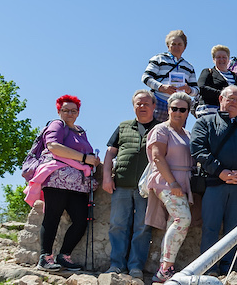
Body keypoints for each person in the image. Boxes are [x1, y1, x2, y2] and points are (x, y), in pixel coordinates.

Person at [191, 85, 237, 276]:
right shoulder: (205, 122)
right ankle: (208, 269)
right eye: (230, 98)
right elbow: (198, 149)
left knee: (234, 230)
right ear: (221, 99)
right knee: (210, 228)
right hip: (214, 183)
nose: (234, 103)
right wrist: (219, 171)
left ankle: (228, 270)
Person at [31, 95, 101, 271]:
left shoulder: (80, 130)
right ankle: (45, 258)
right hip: (57, 179)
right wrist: (84, 158)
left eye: (73, 110)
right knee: (52, 217)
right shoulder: (57, 124)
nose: (70, 113)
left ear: (78, 112)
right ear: (59, 111)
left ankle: (64, 256)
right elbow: (53, 146)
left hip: (78, 184)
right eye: (65, 110)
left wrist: (93, 160)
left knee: (81, 220)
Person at [103, 90, 159, 279]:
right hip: (121, 184)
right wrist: (106, 177)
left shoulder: (161, 128)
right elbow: (110, 153)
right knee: (117, 225)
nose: (142, 106)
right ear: (133, 106)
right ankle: (116, 265)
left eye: (146, 103)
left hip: (148, 188)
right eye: (138, 103)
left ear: (154, 106)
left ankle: (135, 267)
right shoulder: (123, 126)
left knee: (142, 227)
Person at [144, 92, 194, 284]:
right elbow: (157, 157)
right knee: (183, 219)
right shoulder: (161, 129)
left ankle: (163, 270)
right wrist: (172, 182)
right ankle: (166, 268)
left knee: (174, 221)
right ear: (168, 109)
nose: (178, 112)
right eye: (174, 108)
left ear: (188, 112)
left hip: (183, 181)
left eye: (183, 109)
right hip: (166, 181)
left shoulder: (187, 134)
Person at [142, 30, 198, 123]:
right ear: (168, 46)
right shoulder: (159, 59)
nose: (176, 47)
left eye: (179, 44)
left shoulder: (189, 67)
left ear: (184, 47)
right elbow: (146, 77)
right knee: (153, 130)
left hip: (178, 107)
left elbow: (196, 90)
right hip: (158, 102)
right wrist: (161, 87)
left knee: (176, 132)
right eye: (173, 44)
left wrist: (188, 89)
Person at [197, 45, 237, 118]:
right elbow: (201, 88)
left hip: (229, 114)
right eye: (218, 57)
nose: (221, 59)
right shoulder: (208, 72)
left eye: (224, 57)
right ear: (213, 59)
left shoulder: (236, 77)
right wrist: (224, 95)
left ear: (228, 59)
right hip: (209, 112)